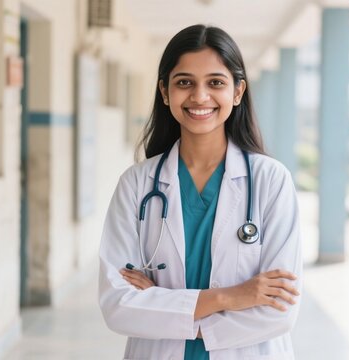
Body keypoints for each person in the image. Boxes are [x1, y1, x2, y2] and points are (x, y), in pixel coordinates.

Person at [99, 24, 302, 360]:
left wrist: (168, 309)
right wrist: (229, 297)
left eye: (215, 83)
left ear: (237, 92)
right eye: (184, 83)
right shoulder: (136, 184)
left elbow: (279, 309)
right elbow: (117, 304)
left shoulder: (271, 181)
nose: (199, 96)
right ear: (165, 92)